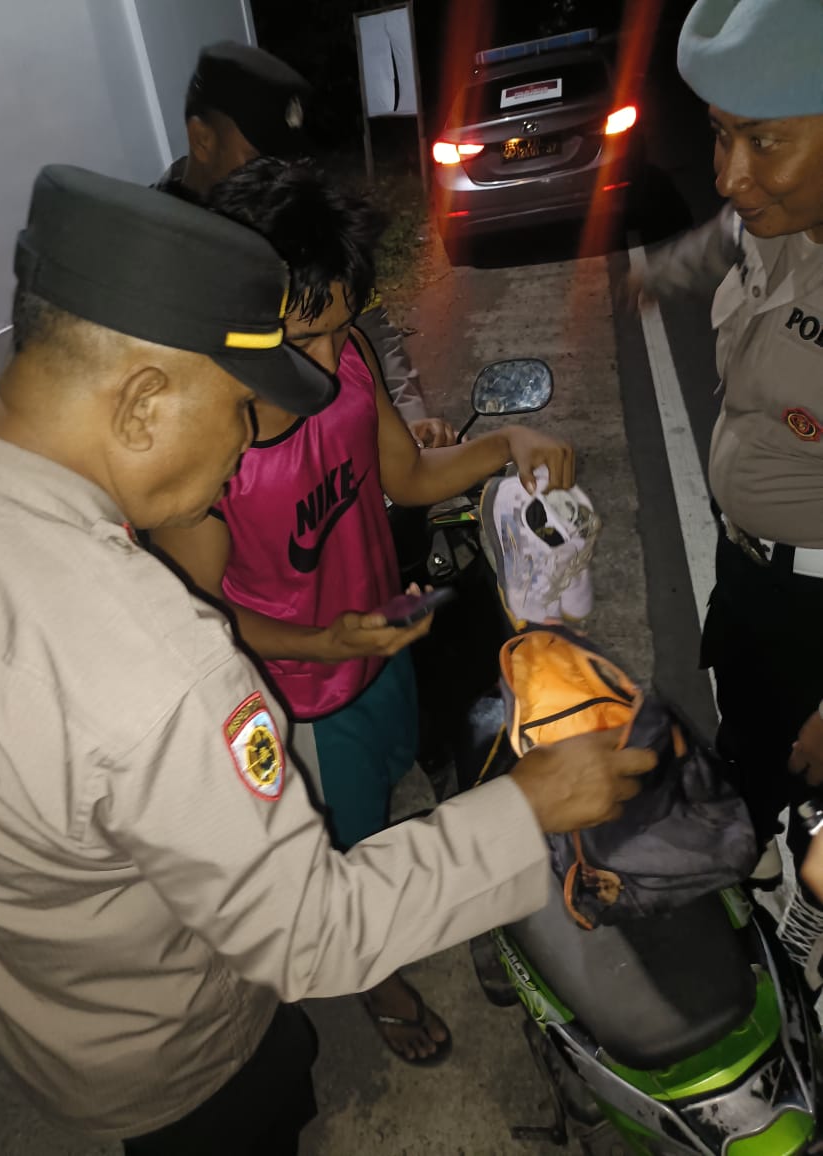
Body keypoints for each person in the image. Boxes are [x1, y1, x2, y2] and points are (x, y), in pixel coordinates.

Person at [0, 164, 655, 1153]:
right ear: (144, 402)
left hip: (58, 1023)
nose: (245, 440)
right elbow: (310, 930)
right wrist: (529, 806)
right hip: (182, 1060)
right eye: (239, 406)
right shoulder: (158, 663)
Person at [149, 155, 575, 1065]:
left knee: (390, 796)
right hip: (299, 697)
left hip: (383, 648)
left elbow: (406, 474)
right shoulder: (207, 449)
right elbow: (198, 621)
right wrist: (320, 640)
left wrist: (506, 440)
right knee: (341, 859)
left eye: (340, 327)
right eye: (302, 337)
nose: (327, 360)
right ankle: (375, 979)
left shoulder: (345, 360)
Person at [629, 0, 823, 966]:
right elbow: (723, 241)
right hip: (749, 578)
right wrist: (658, 270)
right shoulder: (777, 216)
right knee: (746, 747)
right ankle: (753, 860)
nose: (728, 174)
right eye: (718, 133)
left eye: (764, 140)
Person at [155, 39, 453, 446]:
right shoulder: (153, 249)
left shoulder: (298, 217)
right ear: (203, 139)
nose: (278, 175)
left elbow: (371, 328)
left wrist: (408, 421)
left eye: (287, 160)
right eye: (258, 158)